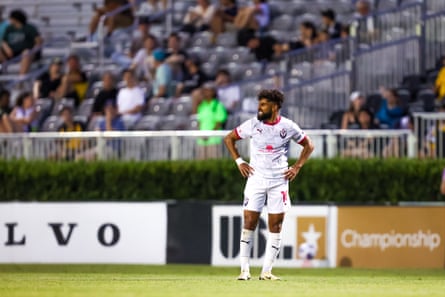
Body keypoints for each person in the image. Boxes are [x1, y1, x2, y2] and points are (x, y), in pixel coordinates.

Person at [223, 89, 314, 281]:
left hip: (279, 181)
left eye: (263, 104)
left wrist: (297, 167)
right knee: (249, 222)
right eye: (259, 104)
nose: (259, 108)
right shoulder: (253, 124)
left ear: (274, 106)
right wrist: (239, 161)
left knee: (276, 225)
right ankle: (244, 270)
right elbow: (229, 138)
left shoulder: (288, 126)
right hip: (256, 179)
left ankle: (266, 271)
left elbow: (308, 145)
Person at [0, 9, 42, 75]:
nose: (10, 20)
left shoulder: (29, 28)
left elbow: (38, 41)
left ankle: (20, 79)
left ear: (15, 19)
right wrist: (6, 48)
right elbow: (3, 41)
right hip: (12, 53)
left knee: (26, 53)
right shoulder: (9, 28)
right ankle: (4, 70)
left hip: (27, 53)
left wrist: (34, 50)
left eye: (11, 18)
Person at [196, 82, 227, 159]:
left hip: (214, 140)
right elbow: (199, 121)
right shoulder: (202, 105)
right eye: (204, 90)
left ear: (213, 92)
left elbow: (219, 122)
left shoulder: (218, 105)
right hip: (202, 140)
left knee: (214, 163)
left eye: (207, 90)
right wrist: (201, 134)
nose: (205, 92)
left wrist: (209, 135)